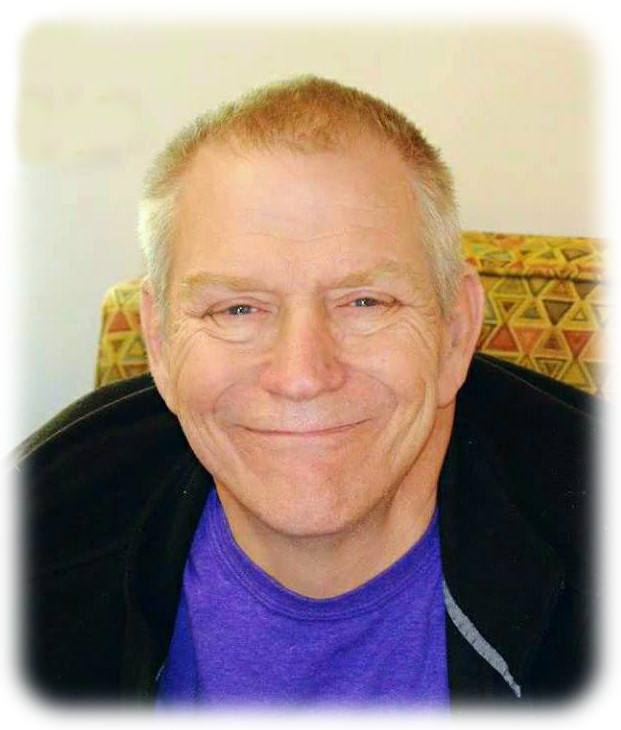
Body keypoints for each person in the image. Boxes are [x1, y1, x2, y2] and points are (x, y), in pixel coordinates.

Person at [18, 76, 594, 707]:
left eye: (365, 301)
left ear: (455, 331)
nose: (301, 376)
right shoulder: (41, 535)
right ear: (159, 342)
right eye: (237, 309)